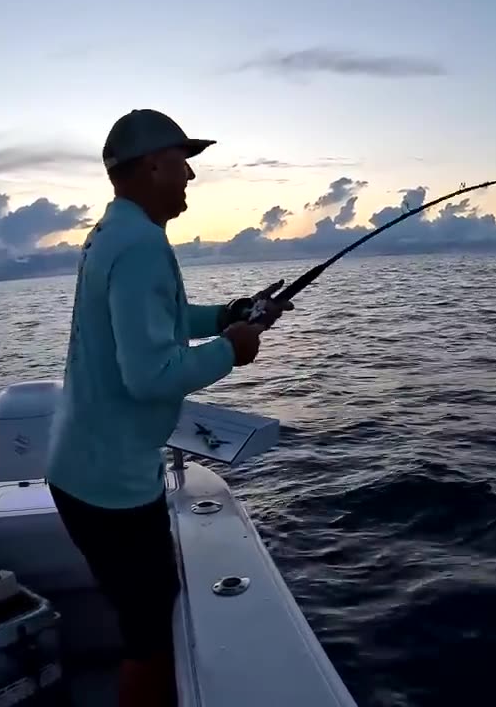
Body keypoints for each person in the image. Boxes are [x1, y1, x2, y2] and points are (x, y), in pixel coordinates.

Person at [44, 108, 291, 707]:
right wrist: (231, 349)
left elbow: (159, 320)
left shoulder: (114, 232)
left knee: (146, 621)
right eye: (183, 161)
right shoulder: (140, 247)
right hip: (112, 488)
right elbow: (151, 377)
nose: (190, 175)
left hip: (84, 469)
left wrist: (222, 316)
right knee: (149, 637)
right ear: (153, 164)